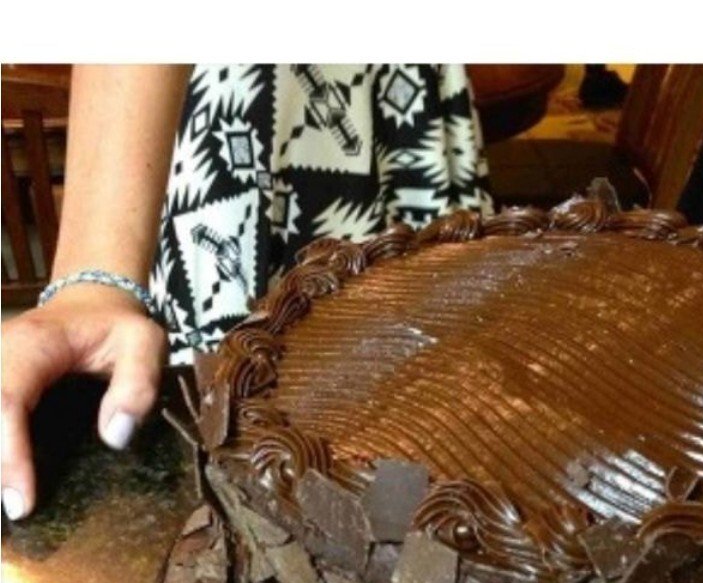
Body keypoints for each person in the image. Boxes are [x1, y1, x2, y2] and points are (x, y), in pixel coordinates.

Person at [0, 57, 485, 514]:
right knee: (240, 465)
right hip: (245, 117)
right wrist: (93, 284)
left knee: (428, 433)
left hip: (402, 102)